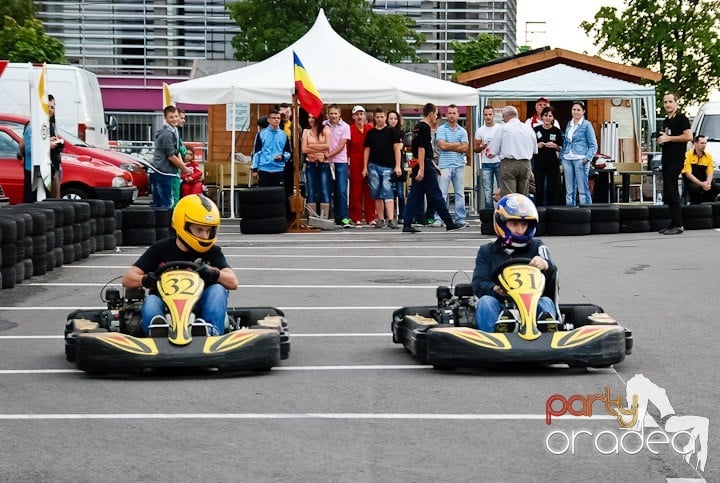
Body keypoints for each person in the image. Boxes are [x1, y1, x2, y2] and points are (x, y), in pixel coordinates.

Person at [121, 194, 238, 337]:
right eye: (199, 230)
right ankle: (157, 331)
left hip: (199, 306)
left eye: (208, 231)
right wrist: (146, 280)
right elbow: (128, 279)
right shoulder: (161, 248)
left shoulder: (213, 252)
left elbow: (233, 282)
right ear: (182, 225)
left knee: (218, 290)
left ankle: (209, 330)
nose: (205, 236)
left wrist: (214, 274)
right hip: (166, 305)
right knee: (151, 300)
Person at [471, 193, 557, 332]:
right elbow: (478, 284)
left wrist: (546, 265)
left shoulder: (537, 247)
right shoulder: (487, 251)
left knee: (545, 302)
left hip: (532, 305)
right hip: (500, 305)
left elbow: (553, 278)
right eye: (514, 224)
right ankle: (495, 337)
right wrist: (495, 289)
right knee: (486, 302)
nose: (520, 229)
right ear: (501, 223)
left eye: (524, 224)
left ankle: (548, 334)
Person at [402, 103, 469, 233]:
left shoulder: (417, 127)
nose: (437, 116)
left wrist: (432, 165)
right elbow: (422, 149)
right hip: (423, 164)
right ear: (431, 114)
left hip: (421, 163)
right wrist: (423, 168)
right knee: (436, 195)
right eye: (436, 113)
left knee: (415, 195)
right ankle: (449, 222)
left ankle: (407, 222)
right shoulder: (425, 127)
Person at [658, 92, 693, 235]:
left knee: (672, 191)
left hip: (676, 159)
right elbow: (665, 138)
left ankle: (679, 224)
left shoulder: (681, 118)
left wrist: (669, 139)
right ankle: (673, 222)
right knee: (667, 191)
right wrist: (660, 140)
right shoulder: (666, 121)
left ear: (676, 103)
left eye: (670, 101)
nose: (668, 104)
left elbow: (689, 136)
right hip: (666, 158)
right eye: (665, 102)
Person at [363, 107, 403, 229]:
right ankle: (380, 218)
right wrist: (365, 167)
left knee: (388, 192)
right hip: (373, 166)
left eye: (382, 117)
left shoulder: (392, 132)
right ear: (374, 118)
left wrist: (397, 165)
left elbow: (397, 150)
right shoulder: (370, 133)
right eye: (377, 117)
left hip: (388, 167)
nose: (380, 119)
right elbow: (367, 150)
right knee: (376, 193)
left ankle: (391, 219)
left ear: (385, 117)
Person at [434, 104, 469, 226]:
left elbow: (465, 148)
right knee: (442, 193)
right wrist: (457, 144)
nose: (452, 115)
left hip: (459, 165)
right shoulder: (441, 129)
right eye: (450, 113)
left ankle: (460, 218)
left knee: (459, 193)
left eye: (454, 113)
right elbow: (442, 146)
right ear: (446, 114)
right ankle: (439, 218)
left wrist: (449, 145)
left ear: (458, 115)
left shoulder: (462, 130)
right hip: (444, 165)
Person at [150, 106, 191, 208]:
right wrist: (184, 168)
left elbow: (177, 153)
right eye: (171, 117)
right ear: (165, 118)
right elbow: (171, 156)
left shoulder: (174, 131)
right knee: (166, 205)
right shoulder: (167, 134)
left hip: (167, 172)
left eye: (176, 116)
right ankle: (165, 223)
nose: (175, 119)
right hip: (162, 172)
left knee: (165, 204)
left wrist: (182, 167)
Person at [561, 101, 597, 206]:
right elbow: (566, 142)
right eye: (574, 109)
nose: (576, 112)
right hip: (567, 158)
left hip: (580, 159)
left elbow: (593, 144)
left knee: (582, 189)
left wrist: (588, 158)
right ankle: (570, 213)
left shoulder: (587, 125)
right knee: (569, 189)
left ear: (583, 112)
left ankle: (586, 212)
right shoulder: (569, 124)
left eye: (578, 110)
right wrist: (562, 156)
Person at [495, 106, 537, 196]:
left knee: (509, 197)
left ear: (505, 116)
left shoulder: (503, 128)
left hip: (508, 163)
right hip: (525, 163)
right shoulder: (528, 129)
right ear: (516, 115)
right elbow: (535, 150)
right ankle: (522, 210)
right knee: (523, 197)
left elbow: (494, 150)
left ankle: (511, 210)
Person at [348, 105, 377, 226]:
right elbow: (347, 148)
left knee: (370, 191)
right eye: (357, 114)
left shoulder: (369, 129)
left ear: (364, 116)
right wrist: (348, 165)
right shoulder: (350, 129)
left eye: (361, 114)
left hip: (369, 163)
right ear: (353, 117)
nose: (359, 117)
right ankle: (356, 217)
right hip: (355, 163)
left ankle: (371, 217)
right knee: (356, 192)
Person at [325, 104, 352, 227]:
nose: (333, 116)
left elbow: (341, 146)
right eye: (331, 113)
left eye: (335, 113)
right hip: (327, 162)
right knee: (329, 191)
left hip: (340, 162)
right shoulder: (324, 125)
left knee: (341, 191)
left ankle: (344, 217)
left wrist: (328, 154)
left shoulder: (345, 127)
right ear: (328, 114)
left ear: (340, 114)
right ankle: (333, 216)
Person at [302, 111, 331, 218]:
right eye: (309, 117)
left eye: (313, 117)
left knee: (324, 189)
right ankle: (312, 217)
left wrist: (311, 146)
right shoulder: (306, 131)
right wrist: (320, 146)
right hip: (310, 163)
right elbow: (304, 149)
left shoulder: (326, 129)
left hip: (324, 163)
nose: (311, 120)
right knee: (311, 190)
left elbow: (327, 146)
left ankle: (324, 217)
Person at [251, 109, 292, 187]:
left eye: (278, 118)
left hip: (279, 169)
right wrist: (255, 169)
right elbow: (256, 152)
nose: (276, 120)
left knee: (277, 195)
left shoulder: (284, 135)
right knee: (264, 195)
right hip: (264, 169)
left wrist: (282, 157)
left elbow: (288, 153)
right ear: (268, 120)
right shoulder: (261, 134)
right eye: (274, 118)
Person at [532, 106, 563, 206]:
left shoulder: (556, 131)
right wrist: (537, 146)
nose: (547, 118)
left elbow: (562, 147)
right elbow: (529, 146)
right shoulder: (535, 130)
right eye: (545, 115)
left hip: (552, 163)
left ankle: (552, 209)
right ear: (542, 117)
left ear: (553, 118)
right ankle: (539, 210)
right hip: (538, 163)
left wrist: (555, 146)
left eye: (550, 116)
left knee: (552, 188)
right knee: (539, 188)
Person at [475, 105, 502, 209]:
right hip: (486, 163)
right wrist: (481, 147)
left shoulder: (500, 128)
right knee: (487, 191)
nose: (488, 117)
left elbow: (505, 144)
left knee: (502, 189)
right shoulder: (480, 130)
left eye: (490, 114)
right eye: (486, 114)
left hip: (499, 162)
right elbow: (475, 148)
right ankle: (489, 216)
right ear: (483, 116)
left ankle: (502, 213)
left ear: (494, 115)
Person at [683, 135, 719, 204]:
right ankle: (695, 204)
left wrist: (708, 183)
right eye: (702, 143)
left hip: (704, 181)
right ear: (695, 144)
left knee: (715, 187)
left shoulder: (708, 156)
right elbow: (688, 174)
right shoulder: (688, 155)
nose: (704, 145)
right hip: (692, 181)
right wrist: (701, 184)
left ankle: (709, 204)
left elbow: (710, 172)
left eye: (705, 143)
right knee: (695, 188)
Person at [387, 110, 408, 224]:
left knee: (400, 192)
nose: (393, 121)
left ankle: (402, 215)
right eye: (391, 118)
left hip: (399, 164)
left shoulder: (402, 133)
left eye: (395, 118)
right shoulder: (385, 131)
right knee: (387, 192)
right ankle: (389, 215)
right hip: (386, 163)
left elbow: (400, 146)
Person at [48, 94, 64, 198]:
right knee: (53, 199)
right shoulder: (37, 124)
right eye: (48, 107)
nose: (51, 110)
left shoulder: (52, 124)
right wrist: (48, 144)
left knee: (56, 198)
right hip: (47, 167)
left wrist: (57, 141)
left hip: (55, 165)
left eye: (53, 107)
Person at [173, 107, 189, 207]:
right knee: (173, 198)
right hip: (173, 172)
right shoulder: (172, 133)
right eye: (182, 118)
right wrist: (184, 167)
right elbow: (174, 154)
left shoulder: (176, 133)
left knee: (176, 197)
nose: (184, 120)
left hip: (177, 171)